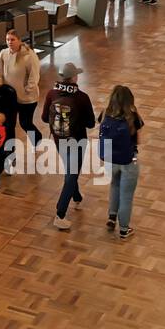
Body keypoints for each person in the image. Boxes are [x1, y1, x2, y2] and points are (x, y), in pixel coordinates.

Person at [42, 62, 95, 230]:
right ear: (74, 77)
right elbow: (91, 123)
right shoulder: (82, 97)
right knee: (71, 175)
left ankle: (77, 197)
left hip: (59, 139)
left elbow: (44, 118)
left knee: (70, 171)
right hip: (77, 140)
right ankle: (60, 214)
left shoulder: (51, 93)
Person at [99, 85, 144, 239]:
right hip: (128, 160)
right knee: (127, 196)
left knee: (115, 185)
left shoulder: (105, 112)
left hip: (110, 159)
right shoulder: (133, 115)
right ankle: (124, 229)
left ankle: (112, 217)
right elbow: (138, 140)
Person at [0, 29, 42, 145]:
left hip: (26, 99)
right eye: (7, 39)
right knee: (9, 124)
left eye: (12, 39)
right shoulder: (3, 53)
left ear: (19, 40)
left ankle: (37, 141)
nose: (9, 42)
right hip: (9, 97)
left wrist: (27, 91)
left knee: (25, 123)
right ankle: (9, 150)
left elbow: (34, 77)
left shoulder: (29, 56)